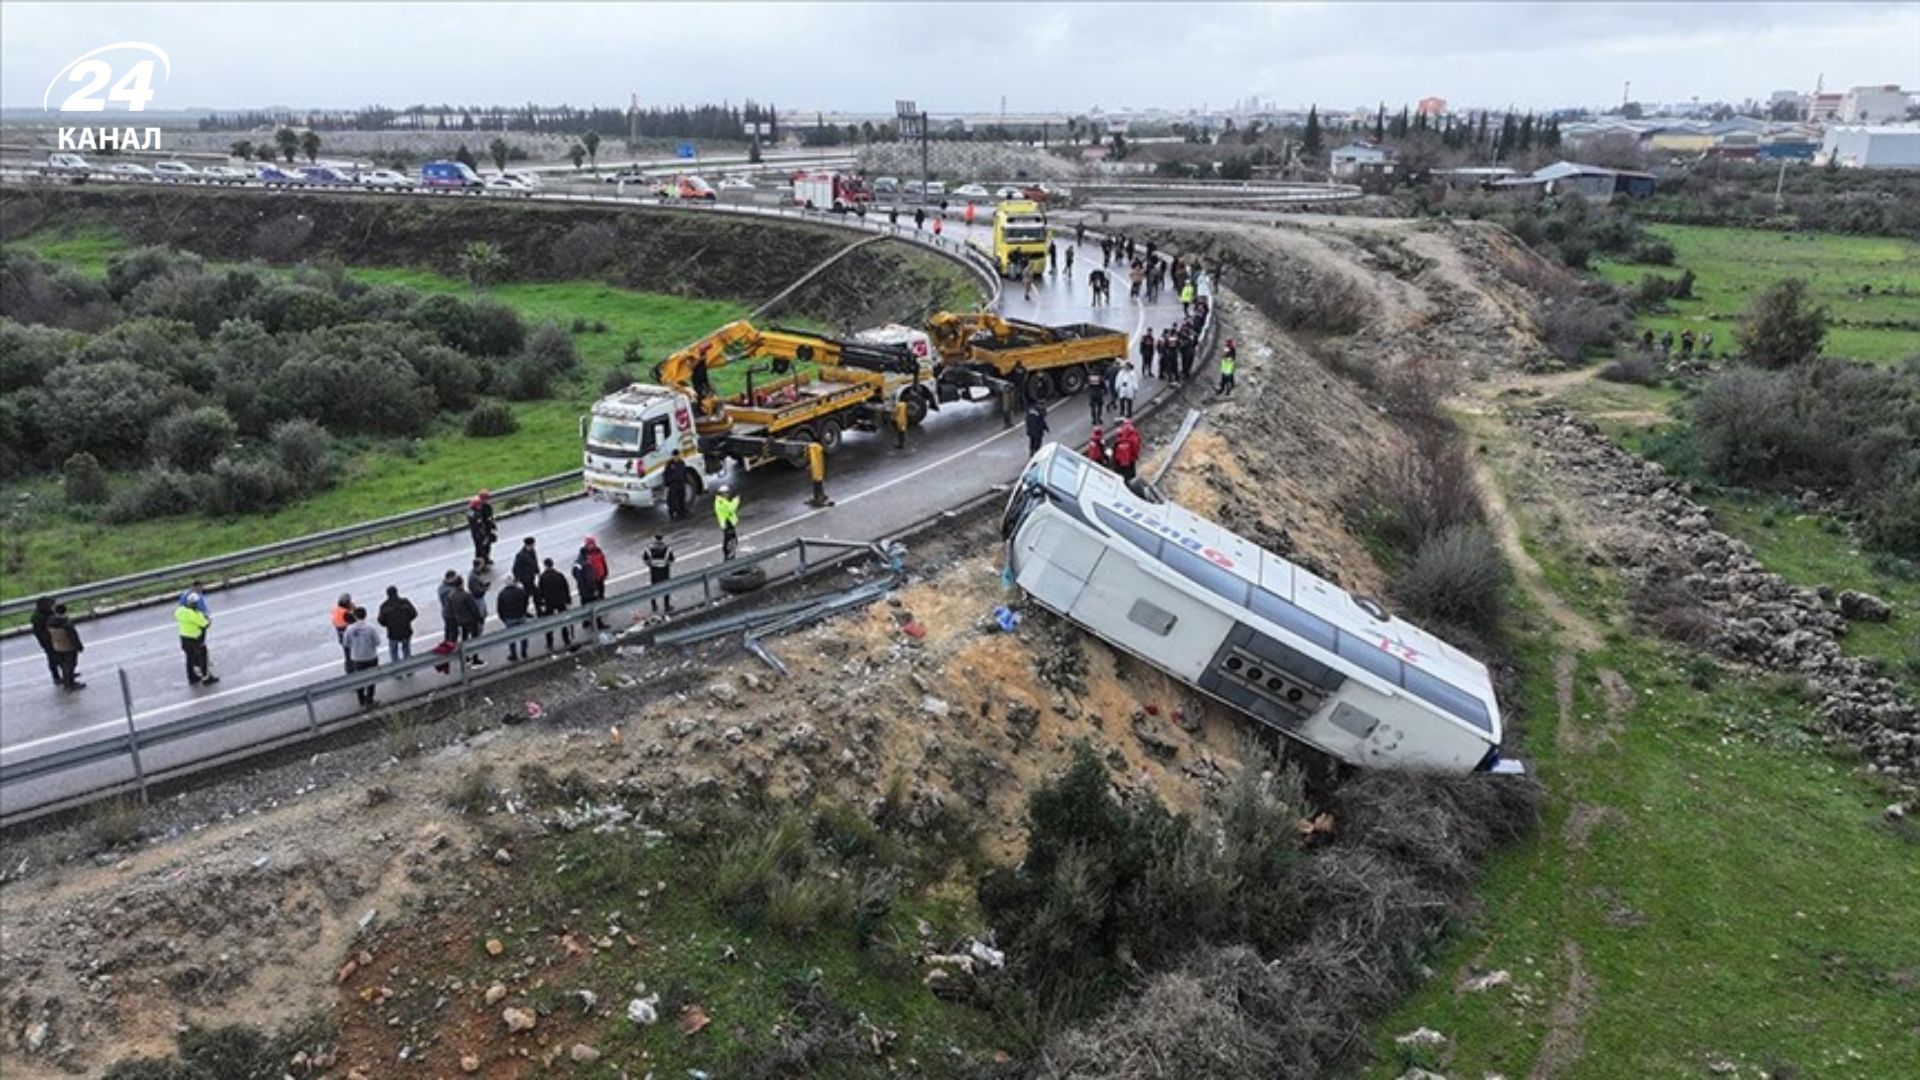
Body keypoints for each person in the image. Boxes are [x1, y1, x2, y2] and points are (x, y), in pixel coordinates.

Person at [342, 607, 381, 707]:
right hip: (370, 656)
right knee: (371, 679)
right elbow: (377, 642)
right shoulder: (370, 628)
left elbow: (346, 643)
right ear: (365, 615)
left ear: (354, 616)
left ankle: (361, 700)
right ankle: (370, 699)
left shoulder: (349, 629)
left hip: (357, 658)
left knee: (359, 679)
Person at [176, 593, 216, 686]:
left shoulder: (180, 611)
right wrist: (208, 619)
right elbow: (205, 624)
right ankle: (206, 678)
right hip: (196, 639)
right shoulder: (196, 615)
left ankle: (192, 677)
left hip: (184, 639)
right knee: (203, 657)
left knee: (189, 659)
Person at [536, 557, 574, 651]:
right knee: (563, 621)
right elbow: (566, 588)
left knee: (549, 624)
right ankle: (566, 640)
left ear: (545, 566)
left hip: (549, 603)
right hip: (560, 601)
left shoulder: (543, 578)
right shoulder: (559, 575)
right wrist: (568, 599)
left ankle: (550, 643)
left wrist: (541, 604)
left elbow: (540, 592)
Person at [448, 575, 485, 666]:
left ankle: (466, 658)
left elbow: (451, 610)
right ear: (461, 584)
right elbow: (473, 609)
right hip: (471, 620)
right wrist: (480, 619)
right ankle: (475, 659)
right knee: (474, 639)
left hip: (460, 621)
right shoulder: (466, 595)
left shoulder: (451, 596)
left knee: (464, 639)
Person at [45, 603, 84, 691]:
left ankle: (67, 683)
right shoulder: (66, 624)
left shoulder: (50, 622)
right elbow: (73, 637)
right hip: (68, 647)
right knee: (70, 665)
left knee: (64, 665)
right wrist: (79, 647)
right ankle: (70, 684)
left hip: (57, 647)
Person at [378, 585, 417, 667]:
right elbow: (414, 613)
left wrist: (388, 624)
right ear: (397, 592)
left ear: (387, 594)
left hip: (392, 632)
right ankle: (409, 669)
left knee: (394, 652)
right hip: (406, 630)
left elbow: (381, 620)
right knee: (406, 650)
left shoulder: (384, 606)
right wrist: (407, 620)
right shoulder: (405, 602)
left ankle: (397, 670)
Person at [496, 574, 531, 660]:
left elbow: (500, 608)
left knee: (511, 638)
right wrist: (524, 611)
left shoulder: (502, 594)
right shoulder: (520, 591)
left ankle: (513, 654)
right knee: (524, 635)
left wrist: (503, 618)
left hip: (509, 618)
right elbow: (526, 602)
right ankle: (524, 652)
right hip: (521, 615)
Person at [30, 596, 61, 688]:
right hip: (48, 641)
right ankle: (56, 677)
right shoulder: (39, 617)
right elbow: (40, 632)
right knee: (53, 658)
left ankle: (64, 674)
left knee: (59, 656)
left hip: (51, 639)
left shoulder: (45, 614)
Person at [643, 534, 675, 613]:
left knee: (654, 588)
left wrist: (650, 565)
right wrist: (666, 564)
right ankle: (666, 606)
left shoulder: (649, 548)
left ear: (654, 538)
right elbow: (672, 559)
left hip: (654, 570)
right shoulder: (667, 548)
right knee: (666, 587)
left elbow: (645, 559)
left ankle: (654, 606)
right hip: (665, 570)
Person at [466, 490, 497, 568]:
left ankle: (486, 559)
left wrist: (492, 526)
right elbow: (477, 525)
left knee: (487, 546)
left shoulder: (486, 507)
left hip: (485, 530)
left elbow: (489, 517)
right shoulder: (474, 512)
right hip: (478, 534)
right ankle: (480, 563)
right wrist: (483, 535)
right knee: (480, 548)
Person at [714, 487, 742, 560]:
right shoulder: (721, 501)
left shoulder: (722, 500)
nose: (728, 494)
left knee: (732, 540)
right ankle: (729, 557)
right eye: (727, 493)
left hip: (728, 523)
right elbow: (731, 509)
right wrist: (736, 500)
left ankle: (730, 556)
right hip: (727, 524)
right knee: (730, 541)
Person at [436, 570, 462, 644]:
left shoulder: (442, 587)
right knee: (453, 632)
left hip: (446, 612)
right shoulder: (448, 590)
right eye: (455, 577)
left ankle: (448, 643)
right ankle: (451, 646)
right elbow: (453, 602)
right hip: (450, 613)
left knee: (448, 631)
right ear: (450, 578)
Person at [662, 455, 691, 520]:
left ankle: (682, 512)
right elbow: (666, 475)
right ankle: (672, 514)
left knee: (681, 498)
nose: (677, 458)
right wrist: (668, 483)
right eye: (676, 456)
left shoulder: (681, 462)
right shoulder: (669, 464)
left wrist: (685, 480)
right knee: (672, 500)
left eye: (678, 456)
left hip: (681, 483)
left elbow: (684, 472)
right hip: (673, 484)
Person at [330, 593, 354, 659]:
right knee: (352, 655)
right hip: (350, 637)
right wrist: (353, 609)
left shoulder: (336, 610)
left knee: (347, 655)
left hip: (341, 636)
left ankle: (349, 667)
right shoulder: (346, 613)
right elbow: (356, 621)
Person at [1086, 361, 1106, 426]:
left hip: (1092, 394)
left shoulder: (1090, 377)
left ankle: (1094, 420)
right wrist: (1105, 391)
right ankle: (1099, 419)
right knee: (1099, 406)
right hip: (1099, 393)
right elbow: (1103, 386)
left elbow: (1088, 385)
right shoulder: (1100, 377)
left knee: (1093, 407)